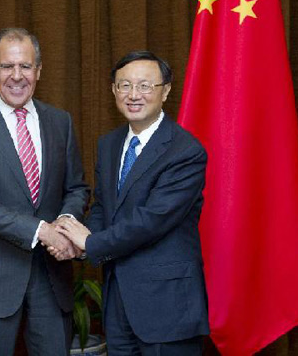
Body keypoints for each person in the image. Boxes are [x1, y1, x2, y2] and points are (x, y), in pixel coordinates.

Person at [0, 28, 90, 355]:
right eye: (7, 66)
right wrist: (42, 231)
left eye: (25, 66)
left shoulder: (60, 122)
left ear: (39, 70)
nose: (16, 76)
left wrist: (65, 226)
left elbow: (77, 187)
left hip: (51, 279)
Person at [55, 51, 210, 355]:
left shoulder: (186, 151)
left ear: (165, 91)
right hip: (118, 304)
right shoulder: (109, 144)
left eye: (144, 86)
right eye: (124, 85)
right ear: (113, 90)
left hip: (167, 306)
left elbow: (152, 220)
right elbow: (102, 206)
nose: (133, 95)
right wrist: (77, 240)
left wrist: (90, 242)